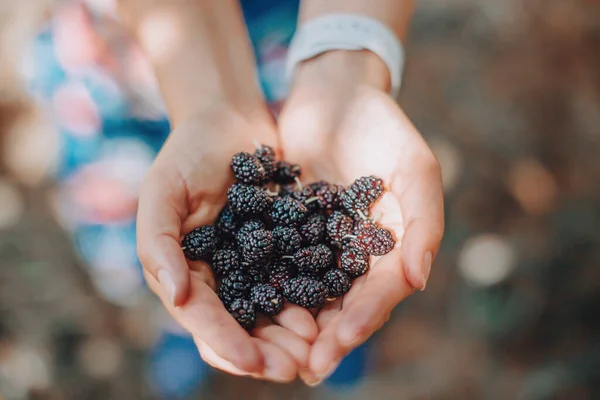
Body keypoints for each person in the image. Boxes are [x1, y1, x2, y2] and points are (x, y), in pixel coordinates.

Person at [25, 0, 443, 387]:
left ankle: (343, 340)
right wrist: (208, 100)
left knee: (345, 311)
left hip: (288, 33)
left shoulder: (293, 217)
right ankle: (178, 324)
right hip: (127, 57)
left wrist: (346, 67)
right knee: (155, 238)